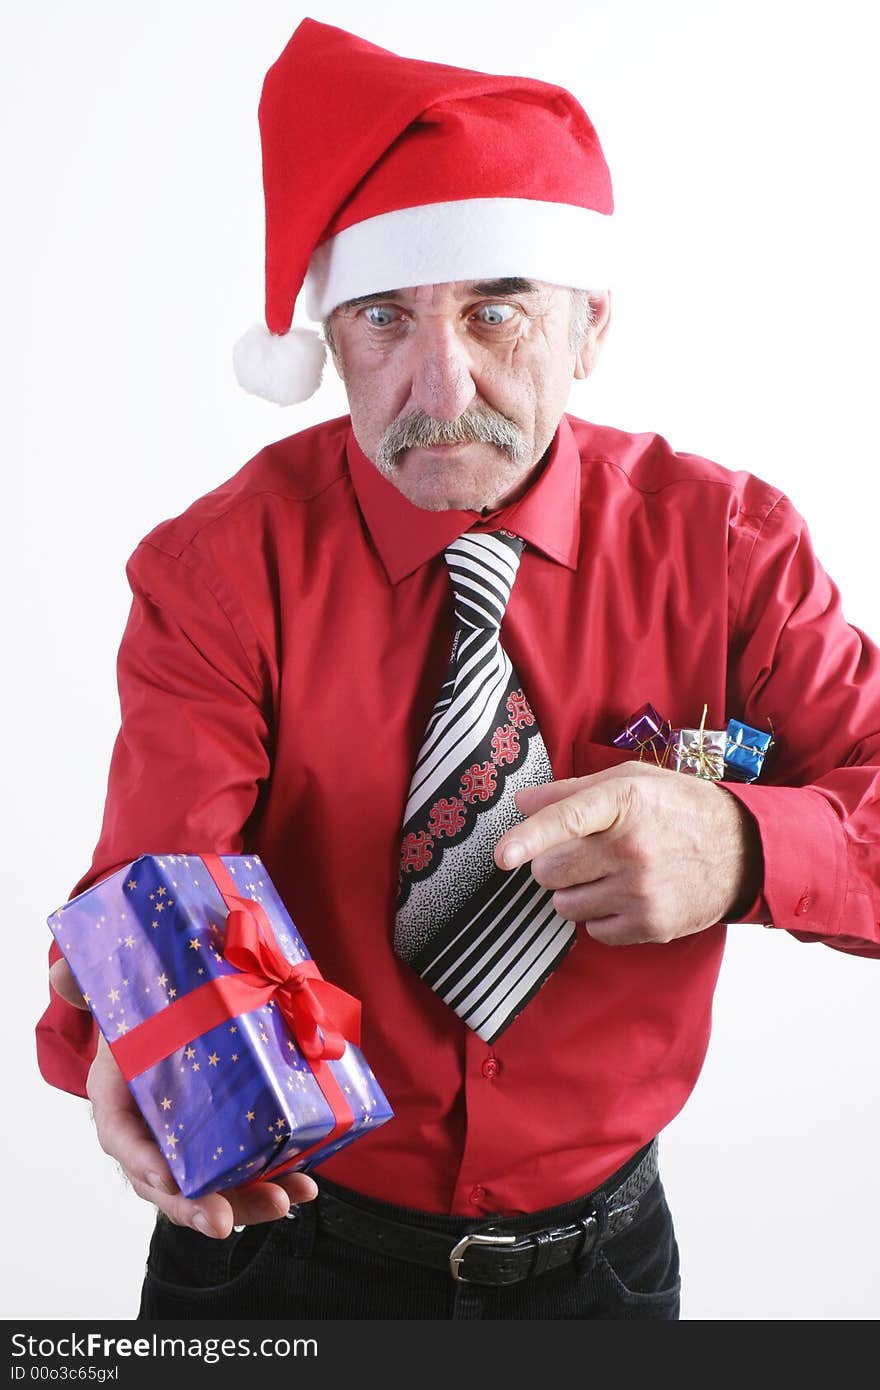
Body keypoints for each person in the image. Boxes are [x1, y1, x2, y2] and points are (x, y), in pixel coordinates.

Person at [37, 17, 880, 1321]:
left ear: (589, 325)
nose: (443, 385)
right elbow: (158, 880)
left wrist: (743, 844)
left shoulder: (729, 546)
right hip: (277, 1254)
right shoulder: (216, 570)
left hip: (604, 1268)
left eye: (498, 310)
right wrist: (129, 1032)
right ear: (330, 337)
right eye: (383, 317)